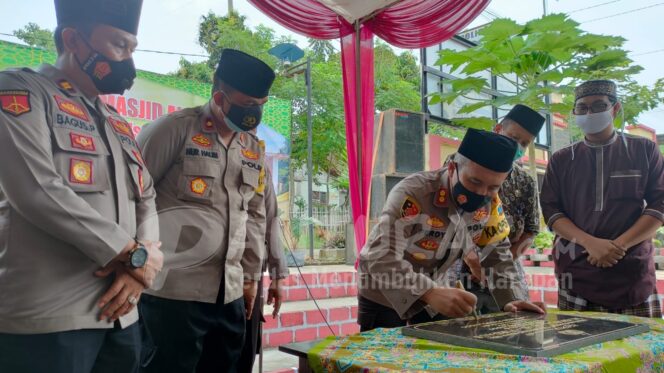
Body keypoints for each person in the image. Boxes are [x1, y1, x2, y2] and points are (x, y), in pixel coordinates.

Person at [0, 0, 164, 372]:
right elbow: (36, 189)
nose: (128, 60)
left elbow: (147, 196)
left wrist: (144, 262)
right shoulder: (21, 90)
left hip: (123, 314)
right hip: (51, 318)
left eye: (133, 49)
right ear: (73, 39)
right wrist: (132, 254)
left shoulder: (116, 122)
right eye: (119, 45)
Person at [136, 48, 274, 372]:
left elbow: (255, 215)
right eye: (246, 104)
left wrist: (252, 277)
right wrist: (135, 264)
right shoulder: (174, 130)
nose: (254, 113)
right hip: (173, 294)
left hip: (230, 295)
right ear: (219, 96)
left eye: (260, 106)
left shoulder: (252, 149)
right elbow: (132, 196)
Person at [357, 129, 545, 332]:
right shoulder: (414, 193)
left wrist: (512, 298)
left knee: (440, 353)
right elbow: (379, 255)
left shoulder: (489, 203)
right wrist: (428, 291)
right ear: (452, 167)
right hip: (385, 291)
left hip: (439, 290)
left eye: (493, 187)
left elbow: (497, 254)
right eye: (474, 181)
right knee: (384, 358)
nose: (482, 193)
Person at [540, 80, 664, 317]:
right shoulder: (562, 160)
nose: (589, 113)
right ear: (574, 112)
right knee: (579, 353)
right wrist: (590, 243)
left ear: (614, 109)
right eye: (582, 108)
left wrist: (619, 246)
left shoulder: (644, 151)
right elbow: (551, 211)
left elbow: (660, 203)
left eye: (598, 106)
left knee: (641, 353)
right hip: (577, 275)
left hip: (632, 273)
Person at [457, 104, 546, 314]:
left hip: (506, 268)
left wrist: (506, 259)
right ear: (498, 129)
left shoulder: (525, 181)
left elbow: (531, 230)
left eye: (524, 143)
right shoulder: (463, 165)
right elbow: (451, 218)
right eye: (514, 138)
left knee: (514, 325)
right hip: (459, 267)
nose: (518, 146)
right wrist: (470, 258)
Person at [237, 162, 289, 373]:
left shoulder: (256, 163)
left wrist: (277, 276)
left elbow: (271, 220)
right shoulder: (178, 136)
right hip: (195, 280)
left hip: (249, 279)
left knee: (242, 356)